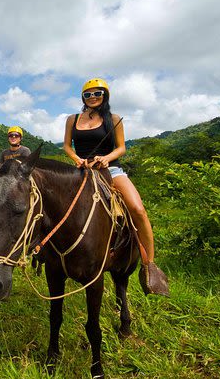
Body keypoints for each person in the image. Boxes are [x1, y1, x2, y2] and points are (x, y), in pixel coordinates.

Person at [63, 78, 169, 296]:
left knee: (137, 209)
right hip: (82, 171)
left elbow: (122, 148)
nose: (93, 97)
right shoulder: (72, 120)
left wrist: (106, 158)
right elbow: (67, 146)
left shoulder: (114, 119)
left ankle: (150, 265)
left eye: (97, 93)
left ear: (105, 95)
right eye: (88, 94)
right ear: (82, 98)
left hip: (110, 170)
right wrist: (77, 159)